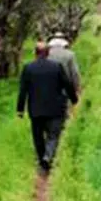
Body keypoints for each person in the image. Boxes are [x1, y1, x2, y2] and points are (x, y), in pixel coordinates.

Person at [17, 41, 78, 173]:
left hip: (36, 109)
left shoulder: (28, 68)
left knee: (38, 137)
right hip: (55, 108)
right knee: (53, 135)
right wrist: (74, 100)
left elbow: (23, 90)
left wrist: (20, 109)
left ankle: (42, 161)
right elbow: (67, 85)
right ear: (48, 53)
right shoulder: (57, 67)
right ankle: (48, 157)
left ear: (35, 53)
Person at [47, 33, 82, 101]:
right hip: (65, 91)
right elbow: (74, 73)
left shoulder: (46, 55)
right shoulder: (70, 55)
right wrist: (77, 87)